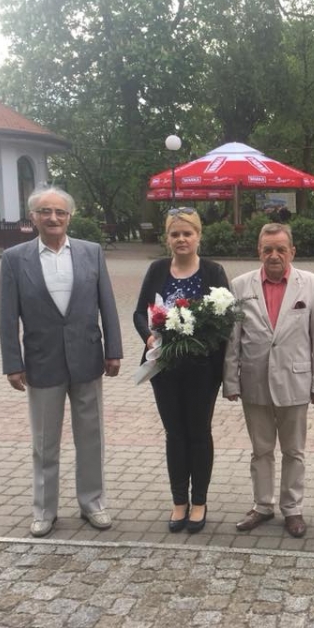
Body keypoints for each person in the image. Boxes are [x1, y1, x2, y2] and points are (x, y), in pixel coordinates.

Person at [0, 185, 122, 538]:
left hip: (87, 357)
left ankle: (93, 503)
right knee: (44, 441)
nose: (53, 218)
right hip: (42, 361)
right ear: (33, 217)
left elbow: (107, 303)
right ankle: (44, 510)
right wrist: (12, 362)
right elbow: (7, 315)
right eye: (45, 211)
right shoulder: (15, 258)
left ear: (69, 216)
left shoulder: (91, 252)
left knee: (91, 437)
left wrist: (113, 349)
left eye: (60, 212)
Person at [223, 223, 314, 538]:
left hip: (296, 381)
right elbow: (233, 338)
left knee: (294, 451)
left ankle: (293, 509)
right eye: (268, 249)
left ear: (292, 252)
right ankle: (262, 505)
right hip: (254, 381)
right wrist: (230, 380)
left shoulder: (312, 285)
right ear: (259, 251)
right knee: (261, 450)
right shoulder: (240, 286)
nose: (274, 255)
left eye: (281, 249)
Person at [133, 207, 230, 534]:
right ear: (168, 238)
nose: (181, 239)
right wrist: (149, 337)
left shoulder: (213, 272)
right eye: (175, 234)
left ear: (198, 236)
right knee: (174, 433)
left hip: (202, 370)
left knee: (199, 432)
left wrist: (202, 338)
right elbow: (139, 312)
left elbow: (226, 318)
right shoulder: (157, 269)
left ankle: (199, 501)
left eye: (187, 233)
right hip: (164, 368)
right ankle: (179, 501)